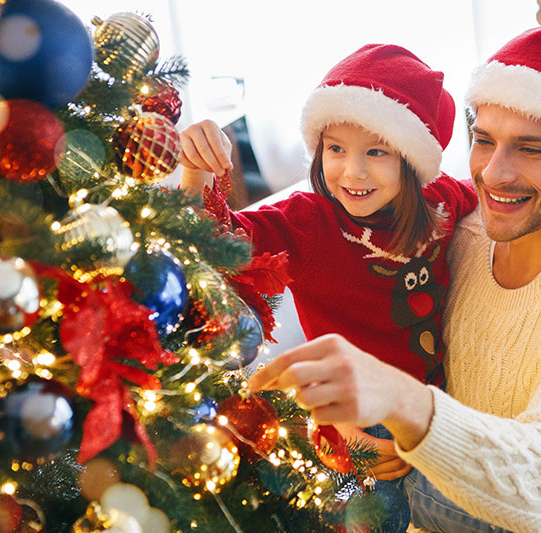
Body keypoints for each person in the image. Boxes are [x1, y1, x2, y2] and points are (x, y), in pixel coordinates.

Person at [249, 22, 541, 533]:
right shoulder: (462, 228)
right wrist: (340, 420)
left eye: (531, 149)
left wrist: (403, 404)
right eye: (484, 140)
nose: (493, 173)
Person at [179, 44, 478, 533]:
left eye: (376, 152)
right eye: (336, 149)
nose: (352, 172)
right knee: (369, 517)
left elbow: (493, 204)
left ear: (413, 160)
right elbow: (211, 243)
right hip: (350, 418)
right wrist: (196, 169)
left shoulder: (441, 201)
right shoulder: (308, 222)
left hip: (434, 410)